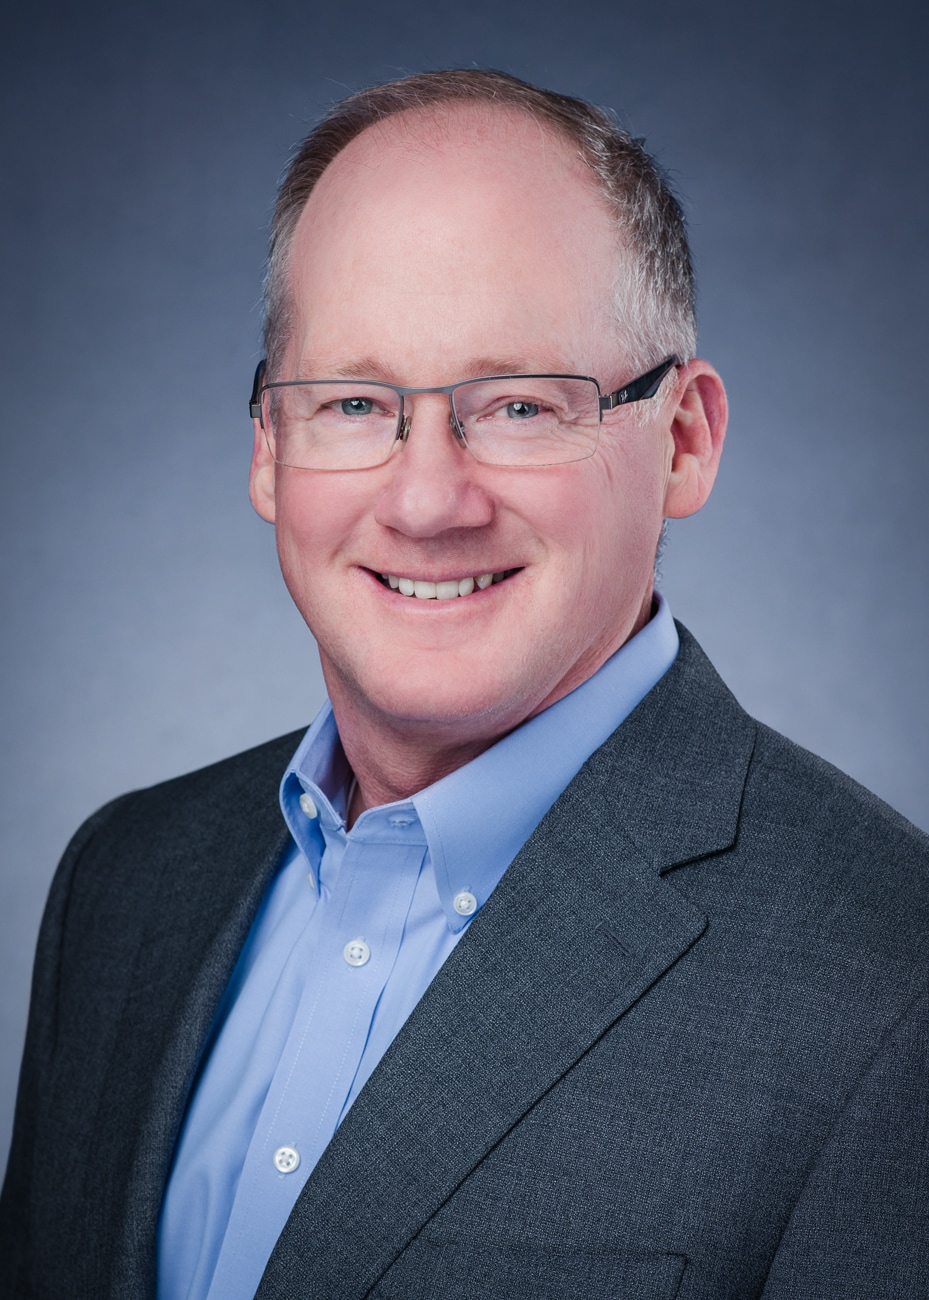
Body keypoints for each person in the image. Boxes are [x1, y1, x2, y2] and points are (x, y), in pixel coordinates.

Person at [2, 69, 927, 1300]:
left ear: (683, 441)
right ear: (268, 451)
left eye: (520, 406)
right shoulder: (122, 885)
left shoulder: (887, 979)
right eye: (351, 402)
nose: (428, 499)